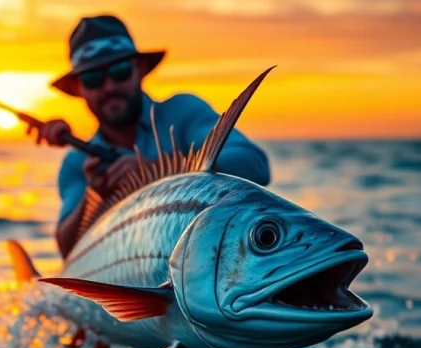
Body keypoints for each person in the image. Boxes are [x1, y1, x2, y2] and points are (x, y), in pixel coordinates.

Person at [33, 14, 273, 258]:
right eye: (93, 79)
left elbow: (255, 165)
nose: (109, 87)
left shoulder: (182, 112)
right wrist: (96, 196)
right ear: (77, 88)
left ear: (140, 69)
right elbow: (68, 253)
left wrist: (157, 171)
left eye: (120, 70)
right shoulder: (77, 164)